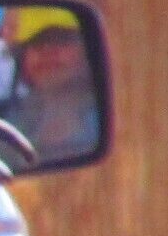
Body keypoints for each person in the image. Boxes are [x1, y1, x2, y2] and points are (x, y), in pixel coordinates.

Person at [6, 8, 100, 161]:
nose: (47, 51)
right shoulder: (13, 125)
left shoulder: (107, 118)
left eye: (62, 39)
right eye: (36, 42)